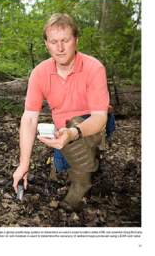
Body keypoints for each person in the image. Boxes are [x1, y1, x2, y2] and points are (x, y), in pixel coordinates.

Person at [13, 13, 109, 210]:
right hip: (62, 130)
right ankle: (84, 159)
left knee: (75, 133)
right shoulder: (39, 73)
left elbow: (100, 116)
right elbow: (30, 118)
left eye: (65, 40)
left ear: (76, 41)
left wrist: (74, 133)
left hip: (92, 123)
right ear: (46, 44)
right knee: (62, 169)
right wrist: (24, 164)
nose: (60, 47)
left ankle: (83, 182)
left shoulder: (94, 67)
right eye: (54, 41)